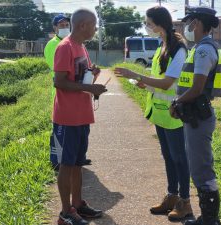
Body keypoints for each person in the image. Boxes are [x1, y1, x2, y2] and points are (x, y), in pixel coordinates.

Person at [114, 6, 192, 221]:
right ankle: (171, 196)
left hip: (174, 114)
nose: (146, 27)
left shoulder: (179, 48)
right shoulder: (162, 46)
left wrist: (135, 74)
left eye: (148, 23)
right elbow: (159, 80)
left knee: (179, 159)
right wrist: (144, 84)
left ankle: (185, 202)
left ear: (159, 23)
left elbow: (168, 82)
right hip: (160, 113)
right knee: (168, 157)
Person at [170, 7, 221, 225]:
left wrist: (177, 102)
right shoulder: (200, 47)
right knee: (198, 165)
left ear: (198, 24)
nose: (187, 27)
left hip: (198, 117)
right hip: (195, 115)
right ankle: (207, 218)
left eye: (189, 23)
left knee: (201, 168)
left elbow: (197, 87)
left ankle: (210, 220)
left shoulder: (203, 50)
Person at [53, 8, 107, 225]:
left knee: (77, 163)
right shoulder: (65, 47)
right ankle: (66, 213)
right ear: (83, 25)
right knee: (66, 164)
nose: (96, 29)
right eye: (94, 25)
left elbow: (78, 75)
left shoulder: (81, 47)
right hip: (67, 116)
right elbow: (59, 81)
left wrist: (91, 74)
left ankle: (78, 204)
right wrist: (91, 90)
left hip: (81, 115)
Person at [45, 14, 92, 170]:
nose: (64, 27)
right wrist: (87, 86)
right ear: (54, 28)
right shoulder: (56, 46)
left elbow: (81, 69)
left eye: (66, 24)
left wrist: (90, 74)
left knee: (75, 143)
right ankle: (56, 160)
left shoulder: (80, 45)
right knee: (60, 134)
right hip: (62, 95)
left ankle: (74, 158)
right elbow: (61, 74)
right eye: (61, 25)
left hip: (79, 97)